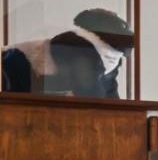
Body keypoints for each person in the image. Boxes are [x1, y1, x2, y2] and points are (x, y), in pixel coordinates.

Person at [2, 8, 132, 98]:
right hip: (16, 64)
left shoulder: (112, 57)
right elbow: (88, 88)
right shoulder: (77, 43)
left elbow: (109, 90)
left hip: (42, 82)